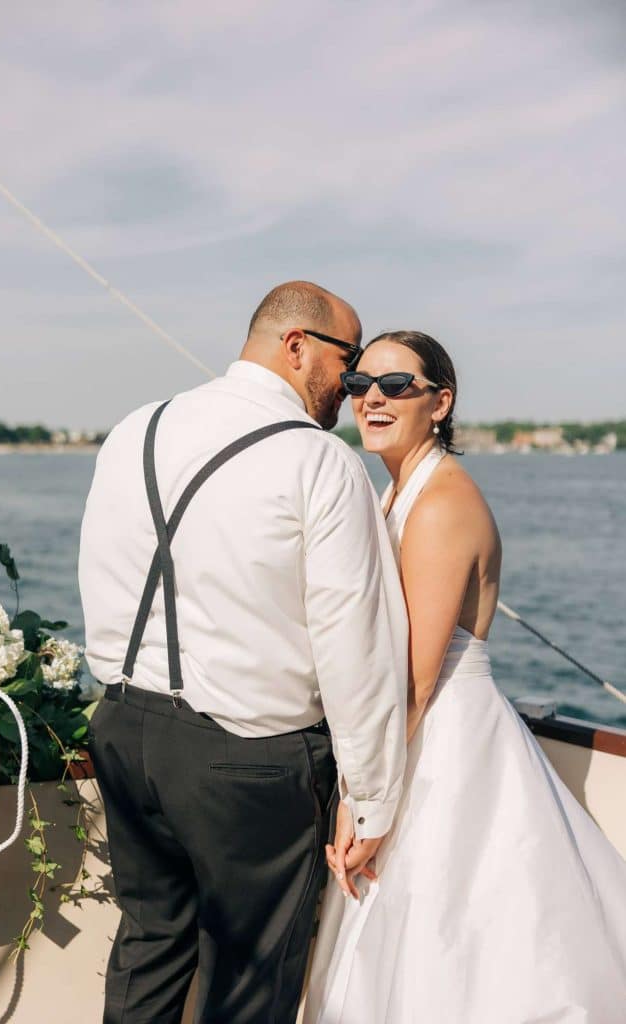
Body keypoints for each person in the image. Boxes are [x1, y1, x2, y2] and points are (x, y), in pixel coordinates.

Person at [78, 283, 409, 1024]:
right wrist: (373, 798)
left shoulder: (135, 428)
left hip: (126, 731)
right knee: (250, 981)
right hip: (248, 760)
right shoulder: (319, 461)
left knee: (147, 944)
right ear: (297, 346)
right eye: (350, 360)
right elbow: (354, 644)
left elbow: (100, 569)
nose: (355, 382)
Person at [305, 331, 626, 1023]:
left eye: (397, 386)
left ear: (441, 402)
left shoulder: (442, 505)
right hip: (415, 731)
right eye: (361, 384)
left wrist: (367, 803)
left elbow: (415, 681)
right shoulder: (398, 491)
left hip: (442, 740)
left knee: (447, 942)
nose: (373, 399)